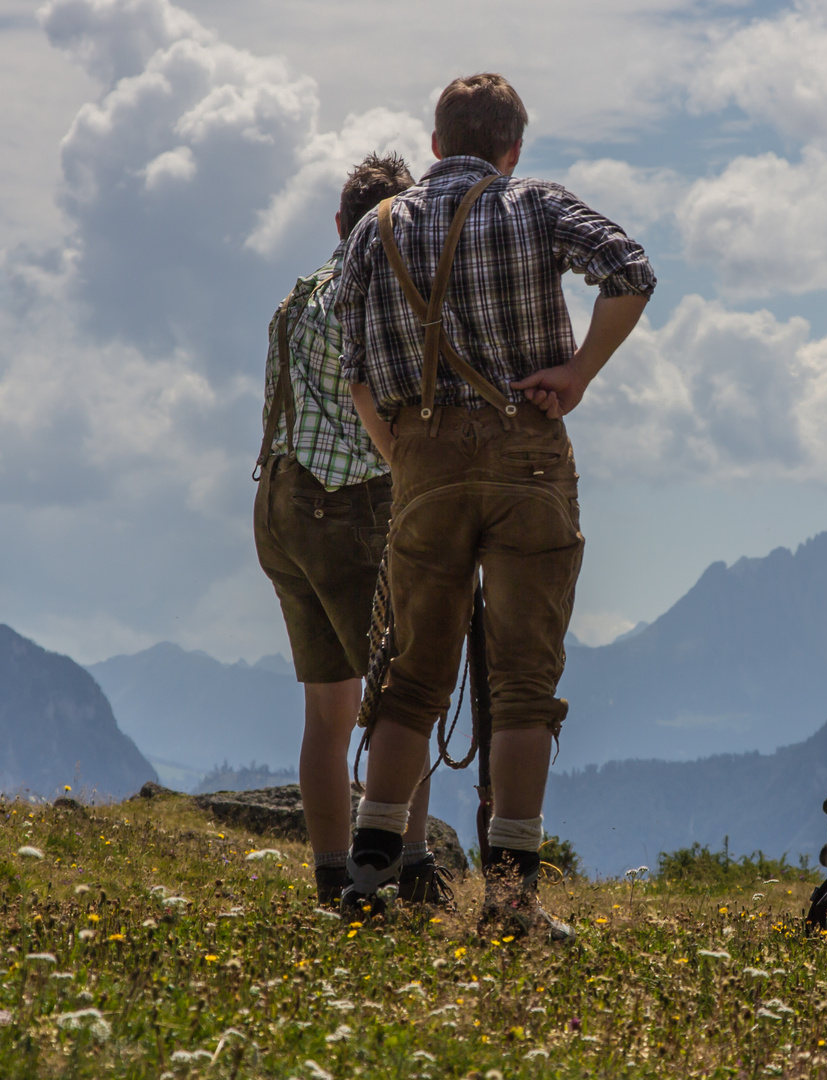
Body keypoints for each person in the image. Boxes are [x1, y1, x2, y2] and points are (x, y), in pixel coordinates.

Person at [333, 73, 655, 937]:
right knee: (522, 685)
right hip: (528, 456)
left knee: (411, 676)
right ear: (513, 149)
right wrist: (578, 372)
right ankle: (510, 904)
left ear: (434, 144)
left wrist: (402, 452)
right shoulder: (537, 205)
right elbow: (632, 269)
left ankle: (368, 878)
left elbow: (353, 361)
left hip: (423, 461)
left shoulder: (375, 229)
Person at [254, 153, 448, 907]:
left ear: (340, 222)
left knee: (327, 710)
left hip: (279, 503)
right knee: (407, 690)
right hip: (352, 509)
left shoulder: (296, 300)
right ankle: (409, 864)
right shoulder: (381, 296)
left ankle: (333, 870)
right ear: (401, 224)